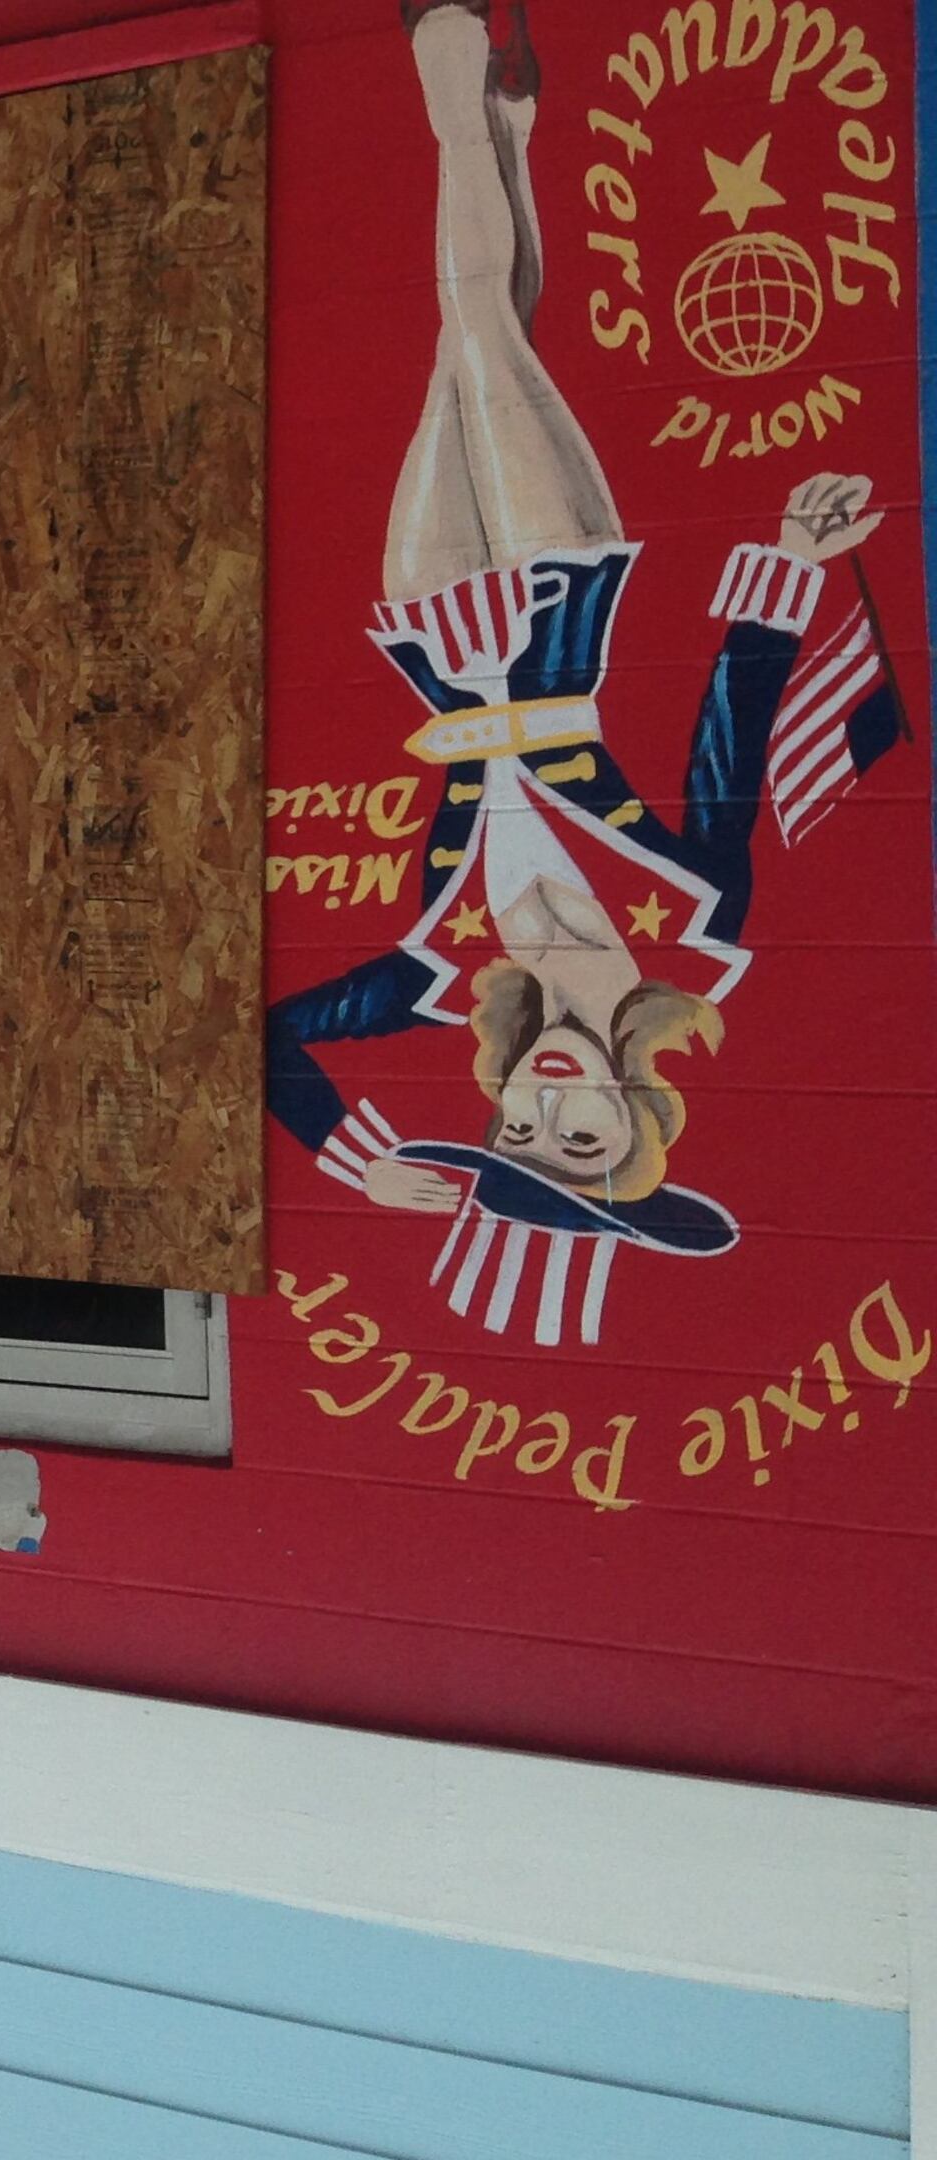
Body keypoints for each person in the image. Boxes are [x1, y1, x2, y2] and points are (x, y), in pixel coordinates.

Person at [263, 0, 906, 1347]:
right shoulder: (697, 944)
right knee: (476, 326)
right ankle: (451, 86)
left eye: (520, 1128)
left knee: (481, 338)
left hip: (437, 635)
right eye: (581, 1132)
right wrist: (787, 560)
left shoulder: (437, 976)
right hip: (555, 617)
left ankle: (510, 131)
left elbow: (264, 1038)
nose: (547, 1103)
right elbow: (725, 756)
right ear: (638, 1116)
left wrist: (353, 1157)